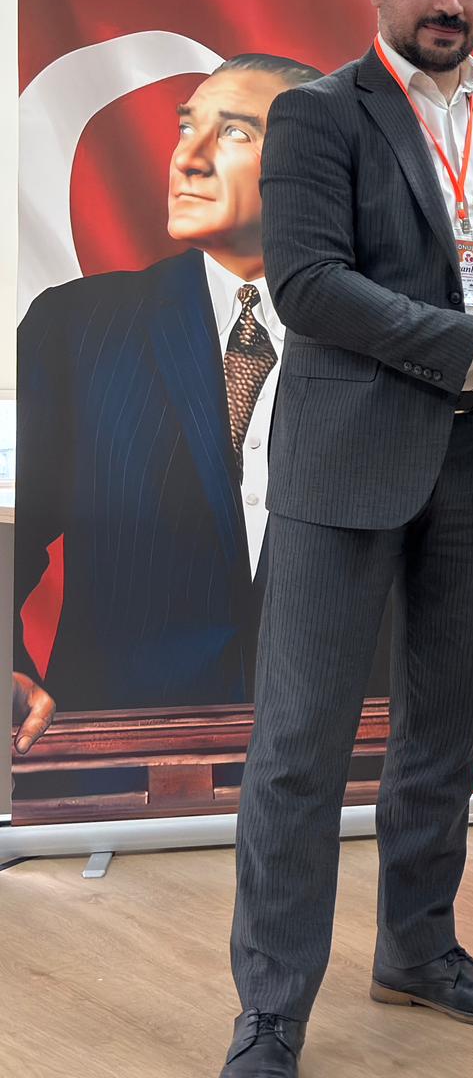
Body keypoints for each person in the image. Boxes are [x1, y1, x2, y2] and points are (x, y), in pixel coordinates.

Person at [220, 0, 473, 1077]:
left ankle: (417, 949)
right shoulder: (319, 112)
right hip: (345, 464)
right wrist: (470, 343)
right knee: (300, 746)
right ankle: (272, 1007)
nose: (449, 1)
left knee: (443, 736)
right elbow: (309, 286)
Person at [12, 52, 323, 756]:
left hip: (340, 757)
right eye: (187, 128)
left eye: (237, 132)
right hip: (113, 757)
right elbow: (10, 530)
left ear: (323, 165)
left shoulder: (380, 335)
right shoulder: (77, 328)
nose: (187, 158)